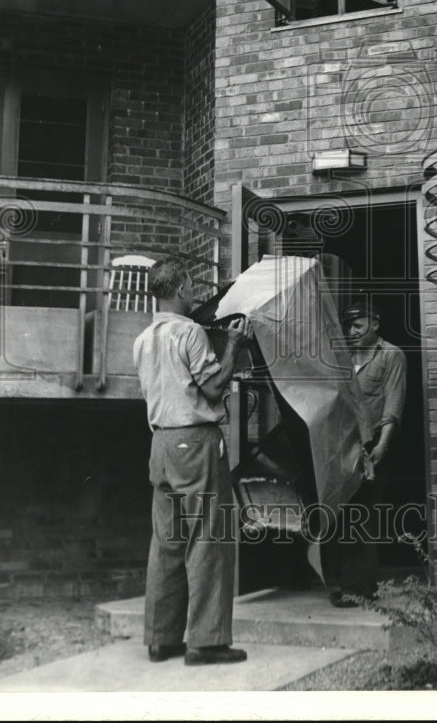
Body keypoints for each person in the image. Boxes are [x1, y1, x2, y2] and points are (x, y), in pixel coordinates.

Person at [133, 258, 251, 666]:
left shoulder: (143, 339)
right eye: (191, 286)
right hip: (196, 442)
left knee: (167, 540)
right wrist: (234, 345)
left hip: (161, 444)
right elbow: (214, 389)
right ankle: (207, 641)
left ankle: (161, 639)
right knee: (208, 538)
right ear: (182, 286)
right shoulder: (191, 333)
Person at [329, 299, 407, 608]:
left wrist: (382, 448)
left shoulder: (392, 356)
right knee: (344, 515)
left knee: (364, 516)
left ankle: (361, 589)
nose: (352, 332)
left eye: (358, 326)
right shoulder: (344, 358)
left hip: (375, 447)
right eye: (348, 327)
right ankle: (347, 583)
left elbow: (393, 406)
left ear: (375, 324)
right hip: (344, 447)